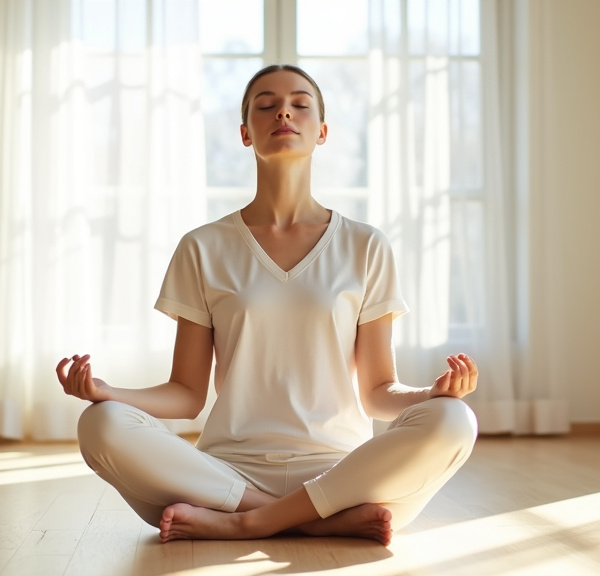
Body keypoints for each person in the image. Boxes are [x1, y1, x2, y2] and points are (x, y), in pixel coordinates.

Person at [56, 64, 479, 546]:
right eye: (266, 104)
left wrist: (434, 394)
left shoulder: (366, 246)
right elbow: (186, 393)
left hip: (342, 472)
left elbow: (378, 392)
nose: (283, 110)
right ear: (245, 132)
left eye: (300, 104)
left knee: (455, 420)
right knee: (100, 423)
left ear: (321, 132)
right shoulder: (203, 246)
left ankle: (251, 523)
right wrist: (111, 393)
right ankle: (313, 521)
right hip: (226, 475)